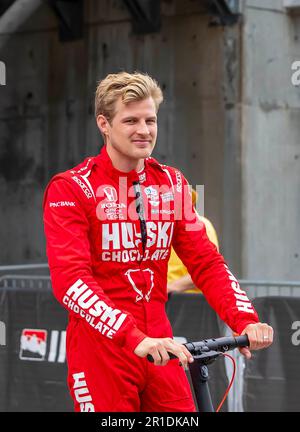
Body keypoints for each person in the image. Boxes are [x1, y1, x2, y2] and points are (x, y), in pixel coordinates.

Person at [43, 71, 273, 412]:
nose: (144, 130)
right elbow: (71, 282)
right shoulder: (71, 188)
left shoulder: (171, 183)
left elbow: (205, 262)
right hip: (102, 352)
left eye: (150, 120)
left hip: (161, 347)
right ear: (103, 124)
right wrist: (133, 338)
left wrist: (244, 318)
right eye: (131, 120)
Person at [167, 188, 219, 294]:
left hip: (190, 301)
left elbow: (208, 270)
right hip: (162, 299)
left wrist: (170, 287)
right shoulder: (161, 229)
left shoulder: (201, 225)